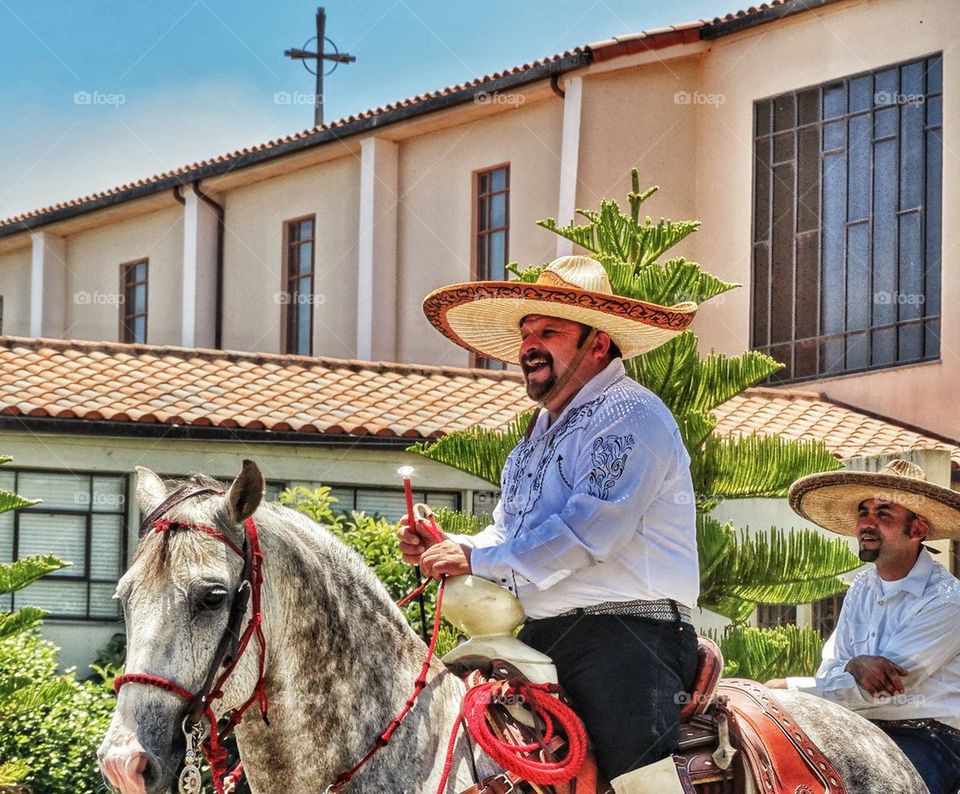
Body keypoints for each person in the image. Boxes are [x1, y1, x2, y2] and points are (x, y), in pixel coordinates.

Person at [400, 255, 701, 791]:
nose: (529, 345)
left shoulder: (632, 414)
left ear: (599, 343)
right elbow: (509, 533)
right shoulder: (537, 434)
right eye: (526, 333)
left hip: (628, 637)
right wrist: (452, 544)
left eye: (550, 331)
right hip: (538, 637)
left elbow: (588, 534)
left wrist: (476, 559)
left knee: (640, 783)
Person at [768, 458, 960, 794]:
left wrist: (786, 692)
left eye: (883, 514)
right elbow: (833, 670)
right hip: (856, 729)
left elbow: (883, 688)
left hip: (931, 739)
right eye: (863, 513)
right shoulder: (860, 588)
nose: (867, 524)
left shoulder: (949, 601)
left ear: (917, 530)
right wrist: (854, 666)